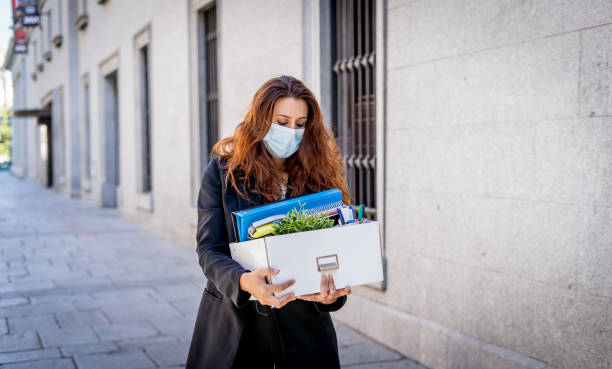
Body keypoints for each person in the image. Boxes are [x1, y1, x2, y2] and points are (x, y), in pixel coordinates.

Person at [185, 75, 352, 369]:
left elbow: (331, 252)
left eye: (300, 125)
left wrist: (331, 297)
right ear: (261, 119)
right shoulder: (223, 172)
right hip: (237, 328)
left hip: (305, 333)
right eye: (282, 121)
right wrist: (243, 281)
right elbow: (209, 249)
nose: (292, 132)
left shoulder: (319, 176)